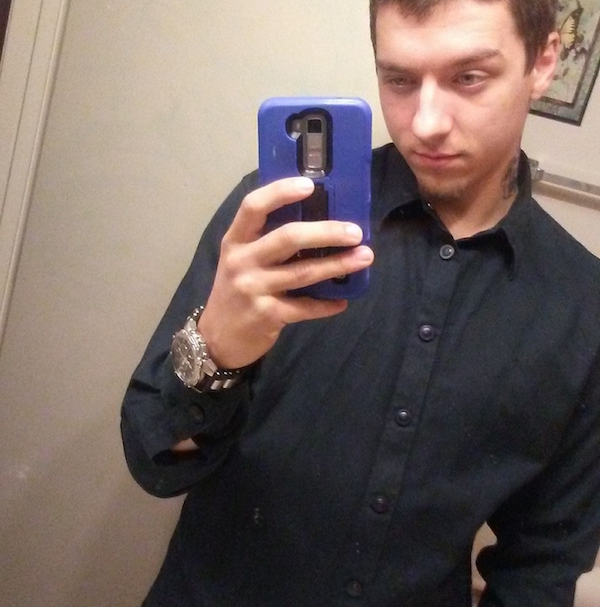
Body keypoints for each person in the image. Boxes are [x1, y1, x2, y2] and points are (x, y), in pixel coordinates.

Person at [120, 0, 600, 605]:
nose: (426, 122)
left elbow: (542, 563)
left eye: (469, 77)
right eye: (399, 80)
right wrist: (215, 353)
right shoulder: (275, 223)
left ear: (544, 61)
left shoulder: (584, 308)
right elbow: (153, 458)